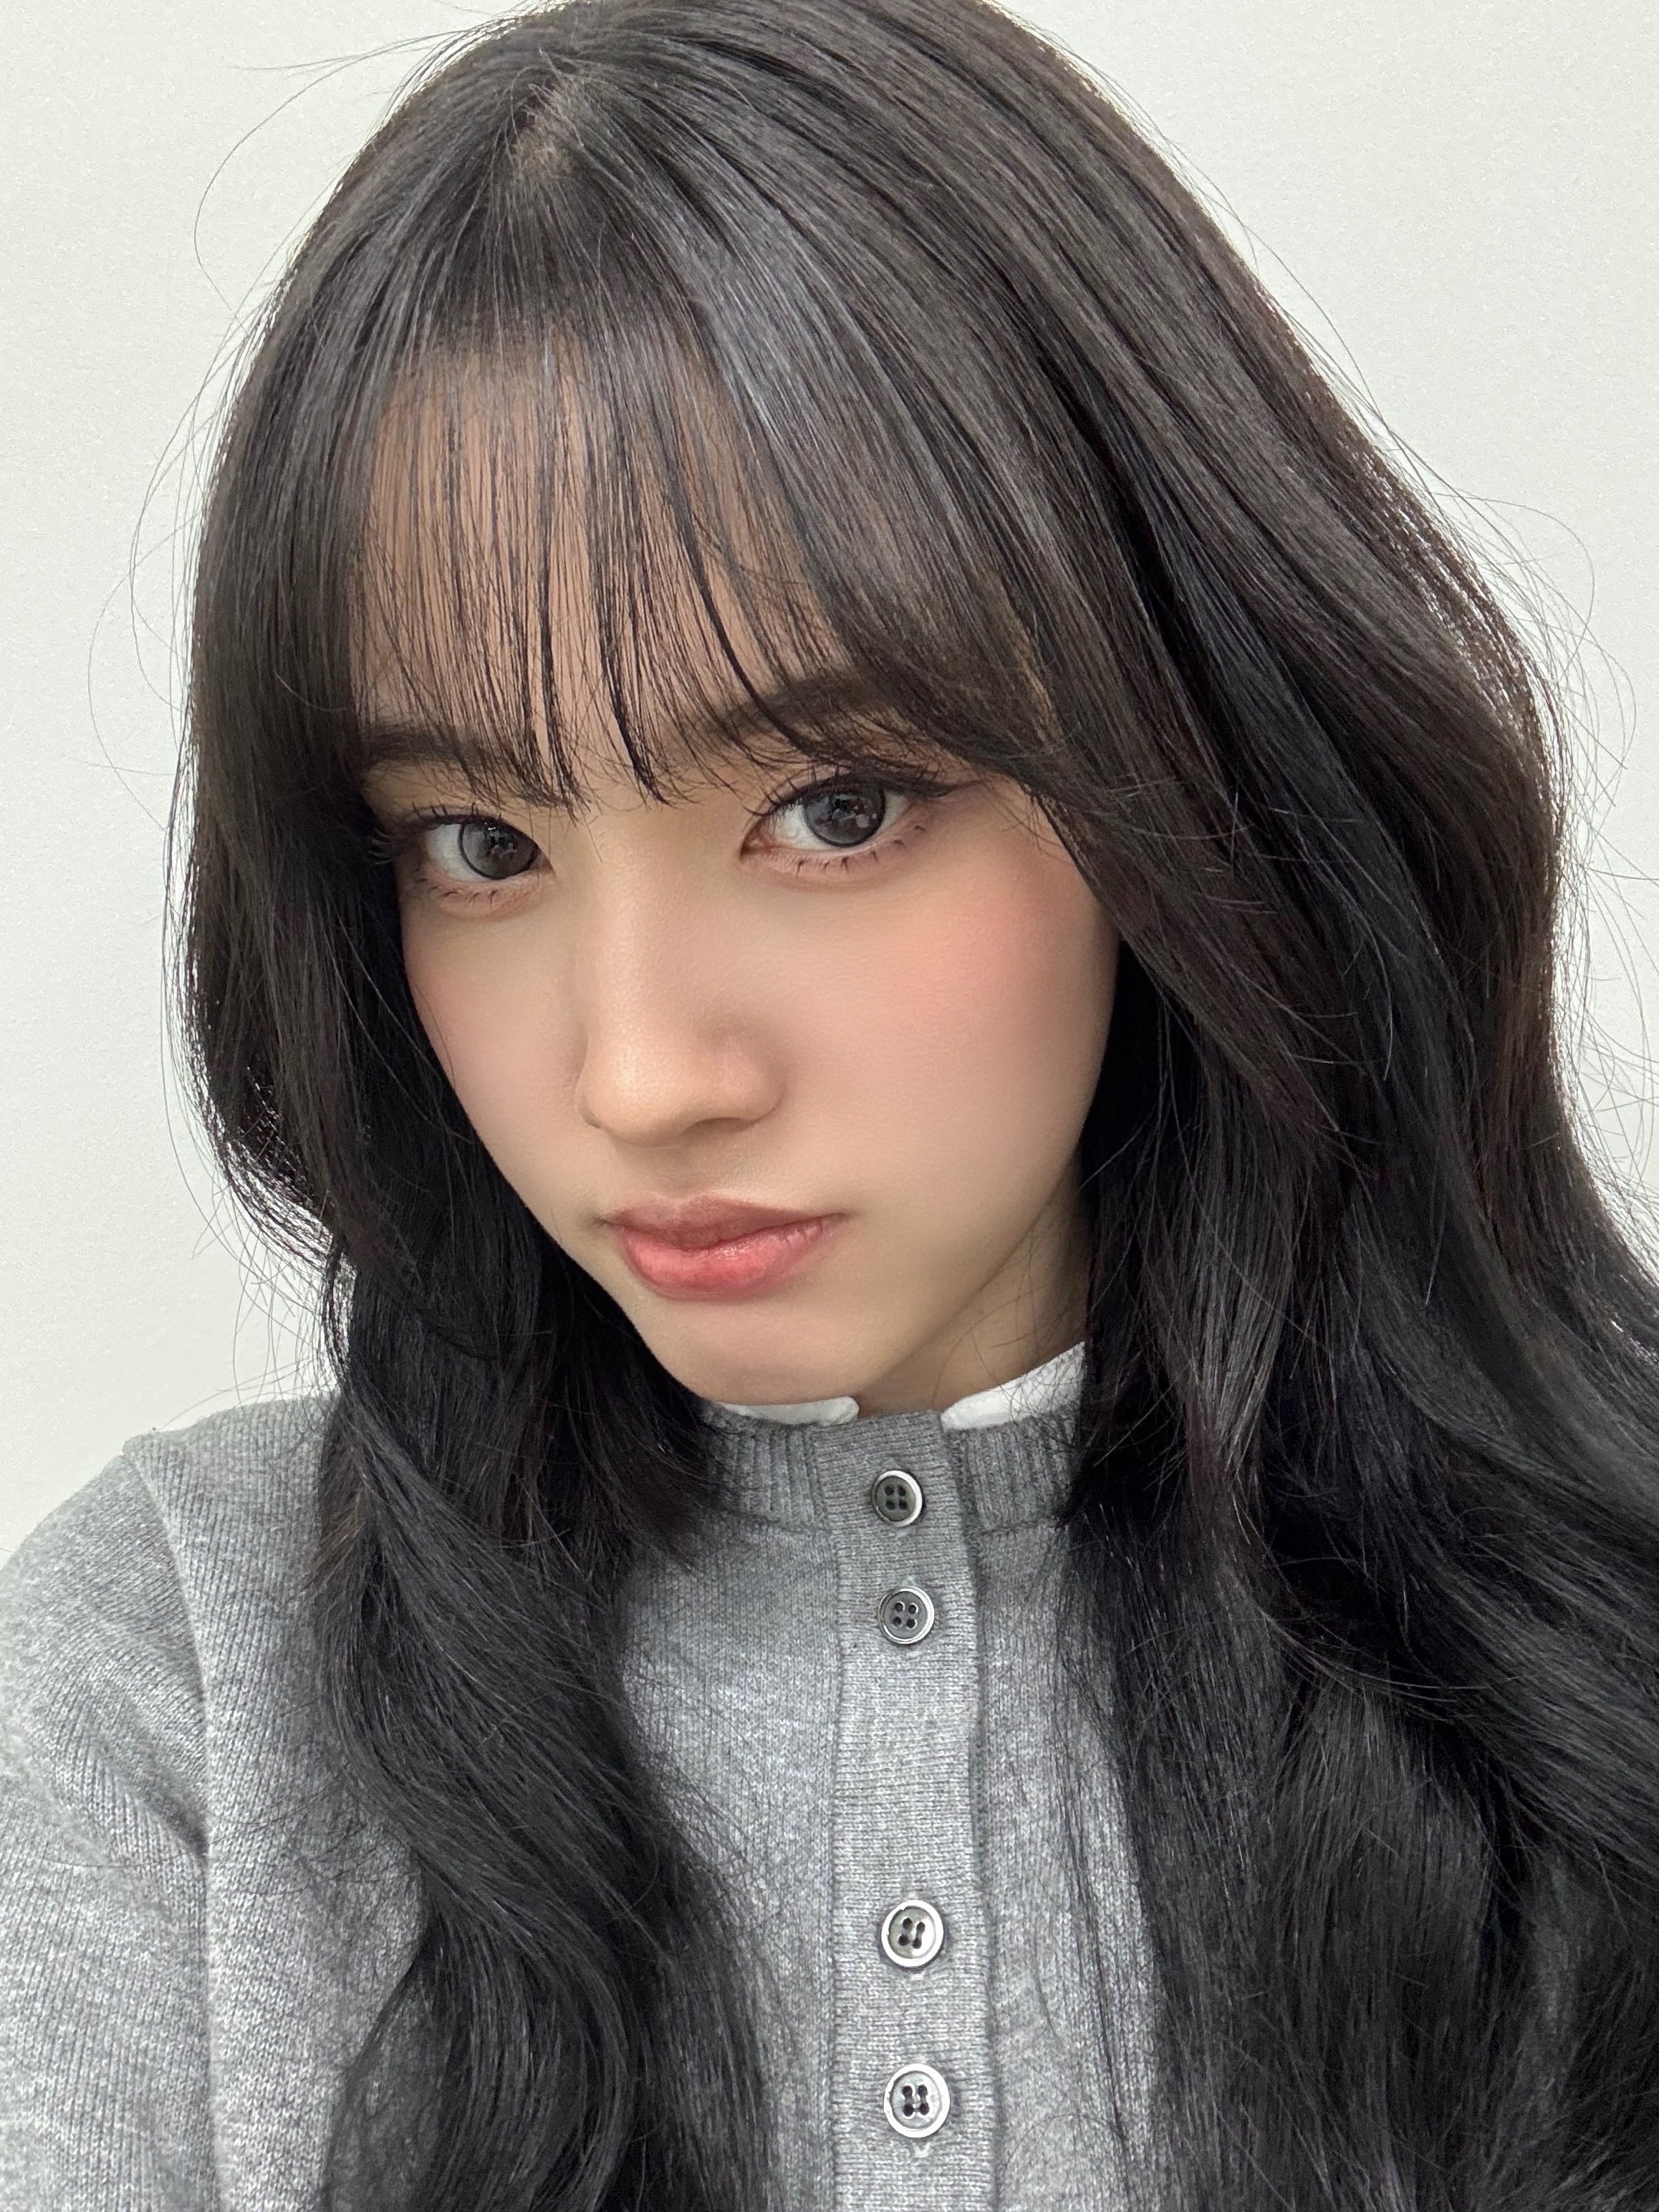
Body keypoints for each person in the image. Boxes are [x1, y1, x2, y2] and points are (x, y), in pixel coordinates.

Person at [5, 0, 1659, 2204]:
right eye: (480, 844)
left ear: (1196, 751)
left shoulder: (1603, 1660)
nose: (640, 1075)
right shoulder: (179, 1687)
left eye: (836, 809)